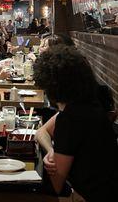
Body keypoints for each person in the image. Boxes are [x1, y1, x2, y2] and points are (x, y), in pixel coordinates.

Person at [34, 45, 118, 202]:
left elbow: (56, 187)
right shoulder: (87, 104)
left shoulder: (71, 119)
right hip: (107, 191)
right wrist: (51, 150)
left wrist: (52, 159)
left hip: (86, 196)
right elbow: (41, 131)